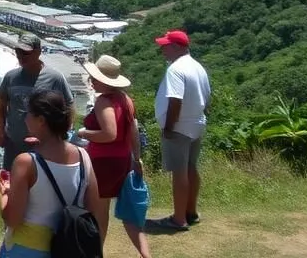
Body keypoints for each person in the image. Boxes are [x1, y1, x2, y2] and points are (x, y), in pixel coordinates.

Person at [0, 90, 104, 258]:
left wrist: (4, 195)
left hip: (27, 248)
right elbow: (94, 209)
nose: (25, 119)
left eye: (28, 114)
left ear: (41, 120)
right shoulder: (83, 156)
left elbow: (12, 219)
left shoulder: (26, 162)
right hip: (69, 249)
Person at [75, 55, 149, 257]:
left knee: (98, 213)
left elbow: (109, 134)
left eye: (94, 78)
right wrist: (137, 158)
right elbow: (133, 130)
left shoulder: (103, 101)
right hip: (122, 160)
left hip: (103, 163)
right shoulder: (126, 99)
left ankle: (96, 252)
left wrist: (83, 133)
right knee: (127, 211)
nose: (91, 81)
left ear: (105, 81)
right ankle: (145, 254)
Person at [147, 30, 211, 232]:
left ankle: (179, 219)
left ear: (176, 46)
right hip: (196, 123)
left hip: (179, 126)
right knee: (191, 168)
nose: (162, 50)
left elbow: (175, 100)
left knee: (179, 172)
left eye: (165, 46)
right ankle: (191, 212)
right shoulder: (198, 67)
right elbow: (207, 98)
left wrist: (169, 126)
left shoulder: (175, 69)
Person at [0, 33, 73, 171]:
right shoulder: (10, 77)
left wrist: (60, 136)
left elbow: (68, 107)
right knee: (10, 181)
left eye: (25, 52)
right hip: (14, 145)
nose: (20, 56)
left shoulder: (54, 78)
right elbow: (1, 106)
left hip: (45, 146)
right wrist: (1, 132)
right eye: (18, 51)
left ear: (38, 52)